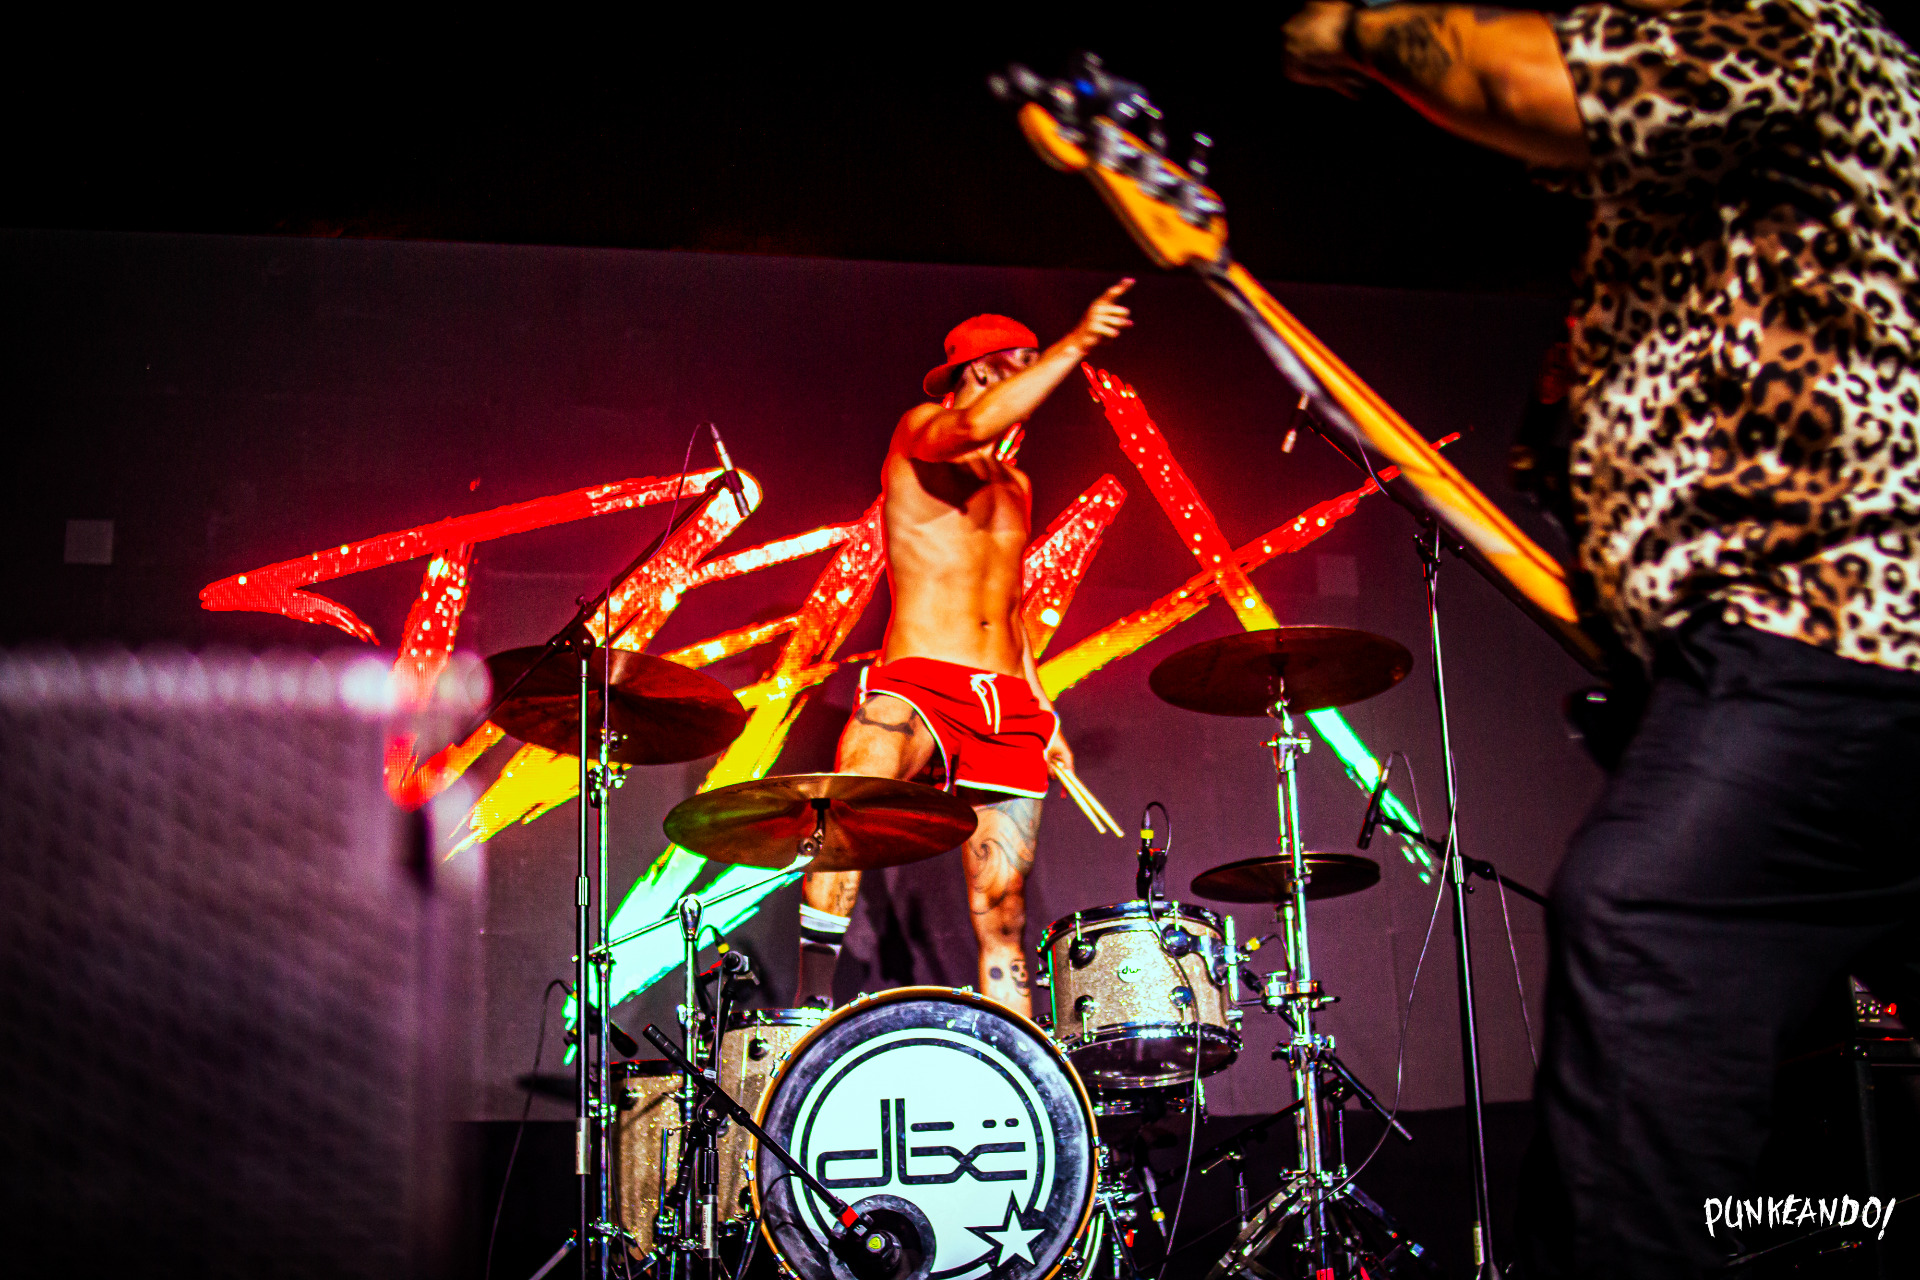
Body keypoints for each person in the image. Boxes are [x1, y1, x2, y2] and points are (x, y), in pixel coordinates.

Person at [1283, 2, 1920, 1276]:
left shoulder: (1801, 33)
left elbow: (1529, 78)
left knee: (1640, 918)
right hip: (1781, 655)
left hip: (1831, 626)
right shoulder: (1705, 246)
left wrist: (1347, 24)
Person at [795, 282, 1135, 1015]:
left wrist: (1043, 709)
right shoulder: (922, 430)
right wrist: (1077, 342)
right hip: (919, 681)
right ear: (982, 369)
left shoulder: (1017, 483)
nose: (1039, 378)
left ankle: (1017, 1052)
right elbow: (976, 423)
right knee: (845, 820)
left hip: (1005, 701)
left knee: (1004, 908)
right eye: (1026, 363)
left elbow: (1009, 607)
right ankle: (807, 1012)